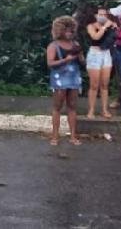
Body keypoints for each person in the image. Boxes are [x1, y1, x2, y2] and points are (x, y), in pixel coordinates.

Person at [46, 16, 84, 146]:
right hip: (59, 79)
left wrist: (79, 56)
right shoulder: (53, 45)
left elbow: (83, 62)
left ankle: (73, 136)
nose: (69, 33)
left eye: (71, 30)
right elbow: (50, 63)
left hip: (74, 78)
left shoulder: (76, 45)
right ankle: (55, 136)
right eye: (66, 30)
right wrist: (65, 60)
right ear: (60, 31)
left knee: (72, 106)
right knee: (57, 107)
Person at [85, 6, 117, 119]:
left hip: (106, 54)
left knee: (104, 84)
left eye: (105, 15)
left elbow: (115, 38)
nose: (102, 16)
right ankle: (91, 110)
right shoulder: (91, 26)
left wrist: (114, 28)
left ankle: (104, 110)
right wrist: (104, 27)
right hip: (94, 54)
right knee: (94, 85)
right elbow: (95, 37)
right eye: (100, 14)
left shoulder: (110, 26)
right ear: (96, 15)